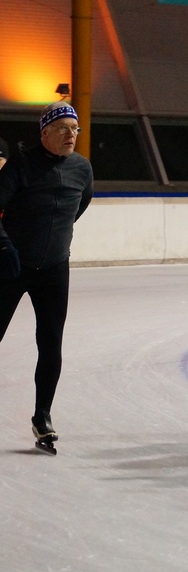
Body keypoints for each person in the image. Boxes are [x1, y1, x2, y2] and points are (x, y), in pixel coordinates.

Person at [0, 101, 94, 453]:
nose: (71, 135)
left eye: (75, 129)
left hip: (54, 269)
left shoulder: (82, 168)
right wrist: (5, 246)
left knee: (51, 343)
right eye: (63, 129)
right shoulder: (21, 166)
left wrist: (54, 239)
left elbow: (79, 207)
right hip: (13, 266)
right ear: (45, 133)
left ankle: (43, 416)